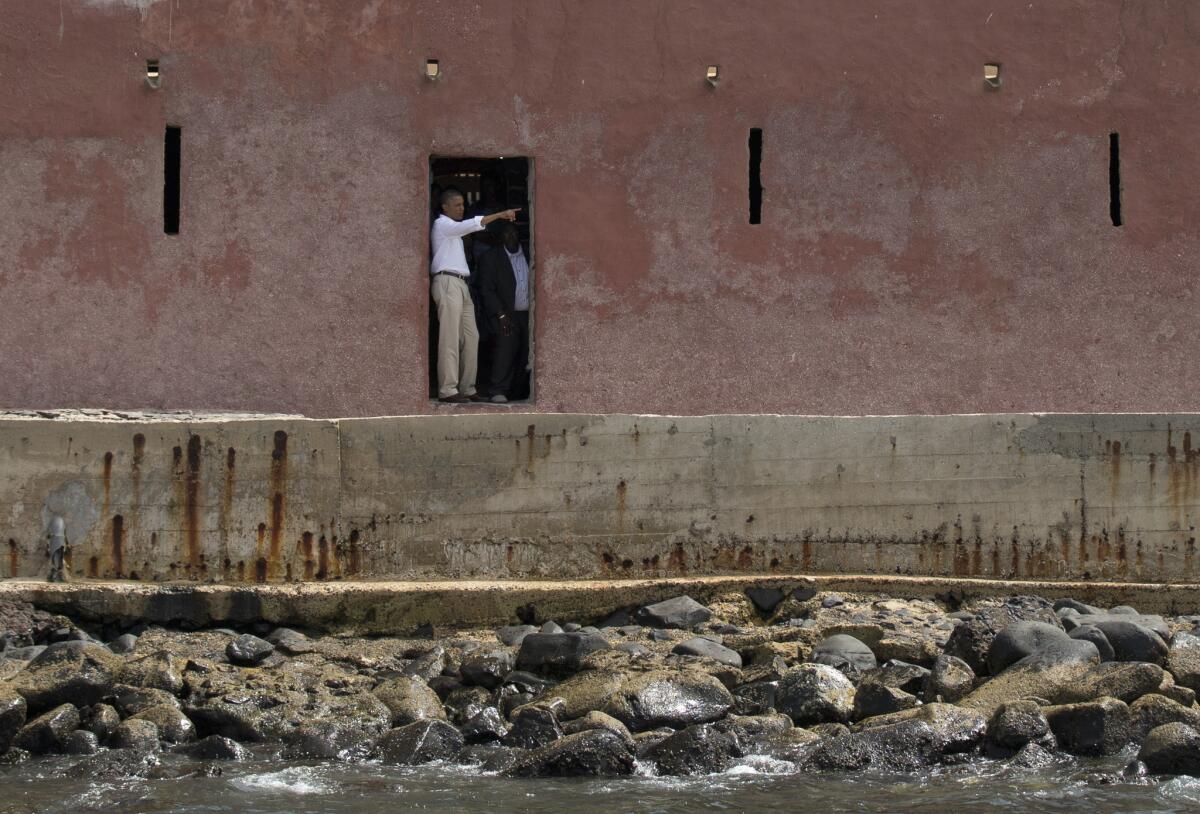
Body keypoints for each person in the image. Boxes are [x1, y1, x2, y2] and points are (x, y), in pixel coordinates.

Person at [429, 189, 519, 403]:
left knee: (471, 337)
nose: (462, 208)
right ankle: (447, 389)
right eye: (457, 205)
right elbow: (469, 225)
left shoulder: (454, 231)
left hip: (461, 284)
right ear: (445, 207)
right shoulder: (442, 225)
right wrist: (499, 215)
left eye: (463, 205)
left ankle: (468, 387)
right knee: (450, 338)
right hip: (447, 282)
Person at [477, 221, 531, 403]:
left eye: (514, 233)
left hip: (529, 315)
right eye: (507, 234)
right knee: (505, 352)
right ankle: (498, 390)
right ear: (500, 237)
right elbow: (486, 289)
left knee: (526, 354)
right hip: (506, 315)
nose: (511, 237)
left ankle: (518, 392)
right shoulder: (491, 258)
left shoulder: (531, 253)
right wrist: (500, 314)